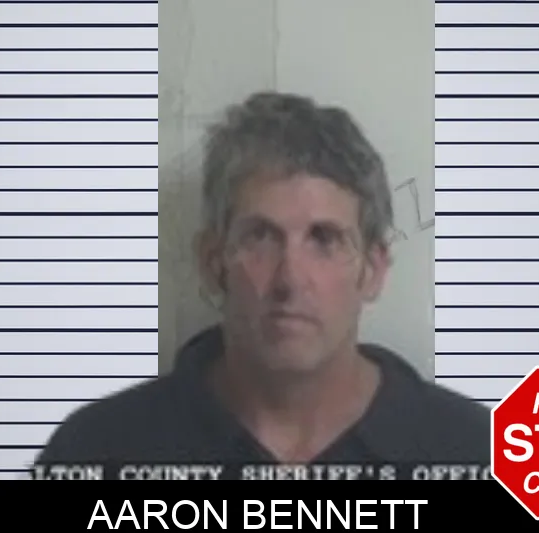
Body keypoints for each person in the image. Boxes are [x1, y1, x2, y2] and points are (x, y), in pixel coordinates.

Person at [34, 92, 490, 479]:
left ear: (372, 270)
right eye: (260, 237)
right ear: (213, 262)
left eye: (324, 239)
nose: (290, 279)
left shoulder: (477, 455)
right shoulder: (96, 453)